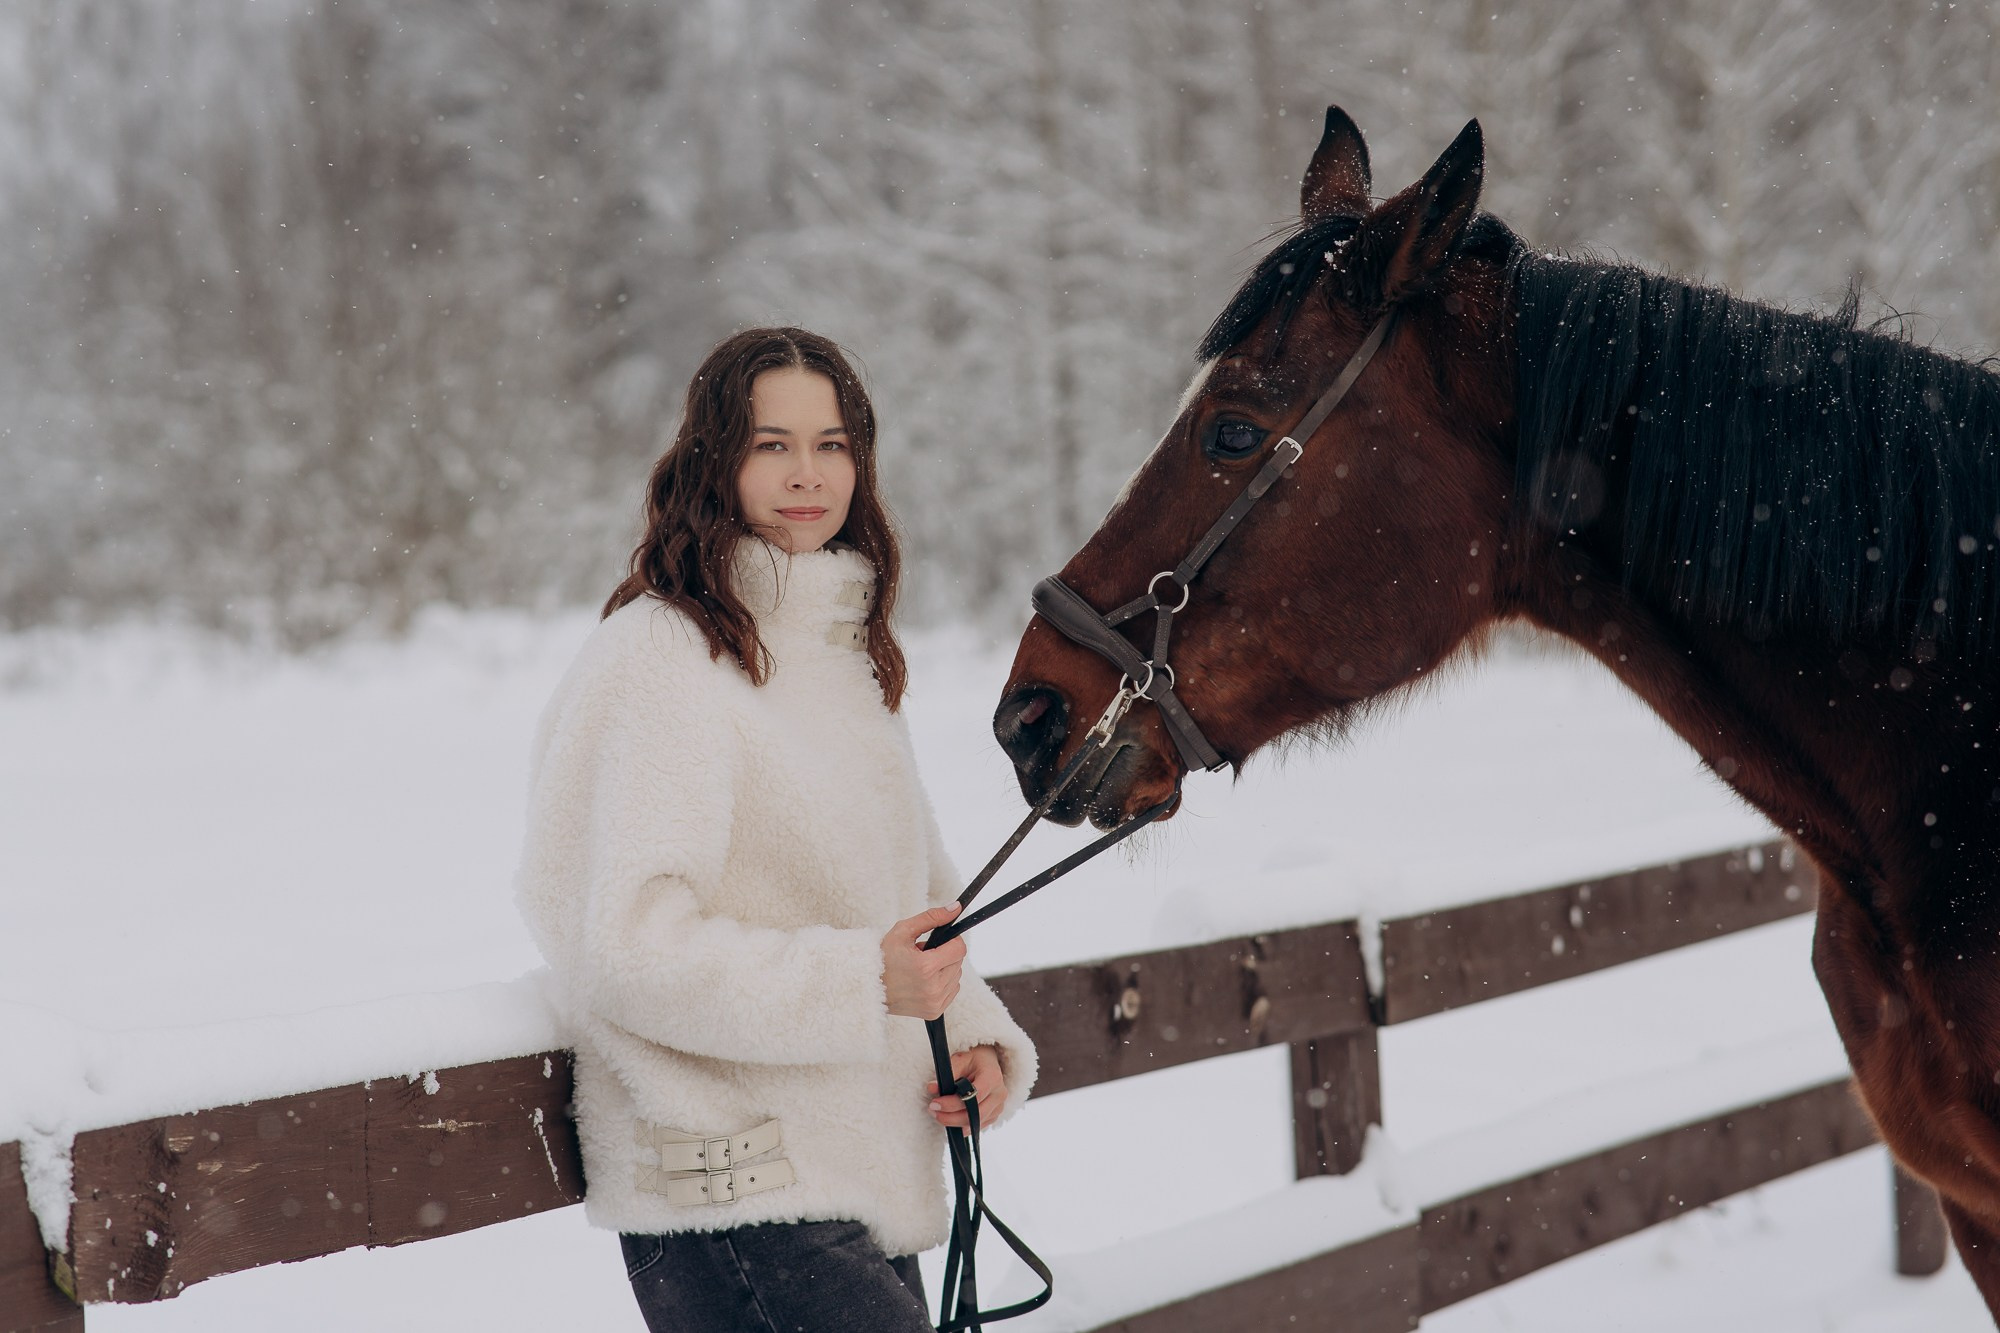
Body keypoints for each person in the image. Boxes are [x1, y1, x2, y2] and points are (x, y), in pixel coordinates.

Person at [513, 327, 1038, 1332]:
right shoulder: (660, 655)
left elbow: (912, 917)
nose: (807, 474)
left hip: (860, 1172)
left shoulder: (843, 658)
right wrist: (862, 982)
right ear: (715, 460)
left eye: (832, 445)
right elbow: (620, 946)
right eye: (771, 444)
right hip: (731, 1181)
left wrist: (968, 1040)